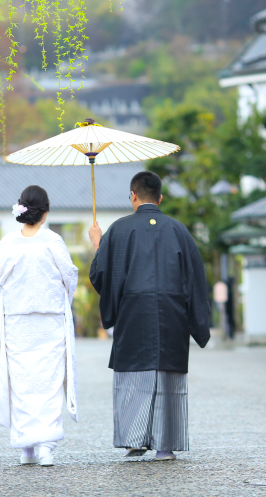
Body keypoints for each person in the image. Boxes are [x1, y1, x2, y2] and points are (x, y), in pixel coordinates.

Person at [88, 171, 210, 461]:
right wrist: (198, 323)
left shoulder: (118, 230)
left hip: (133, 313)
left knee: (133, 375)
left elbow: (101, 274)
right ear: (160, 197)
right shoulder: (179, 230)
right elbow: (195, 280)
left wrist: (98, 242)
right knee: (167, 376)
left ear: (133, 196)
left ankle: (135, 441)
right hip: (172, 314)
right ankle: (165, 447)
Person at [0, 185, 79, 467]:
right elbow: (69, 277)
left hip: (17, 323)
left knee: (22, 384)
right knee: (48, 384)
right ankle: (46, 448)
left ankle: (26, 448)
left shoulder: (8, 244)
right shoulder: (52, 241)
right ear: (45, 213)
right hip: (49, 321)